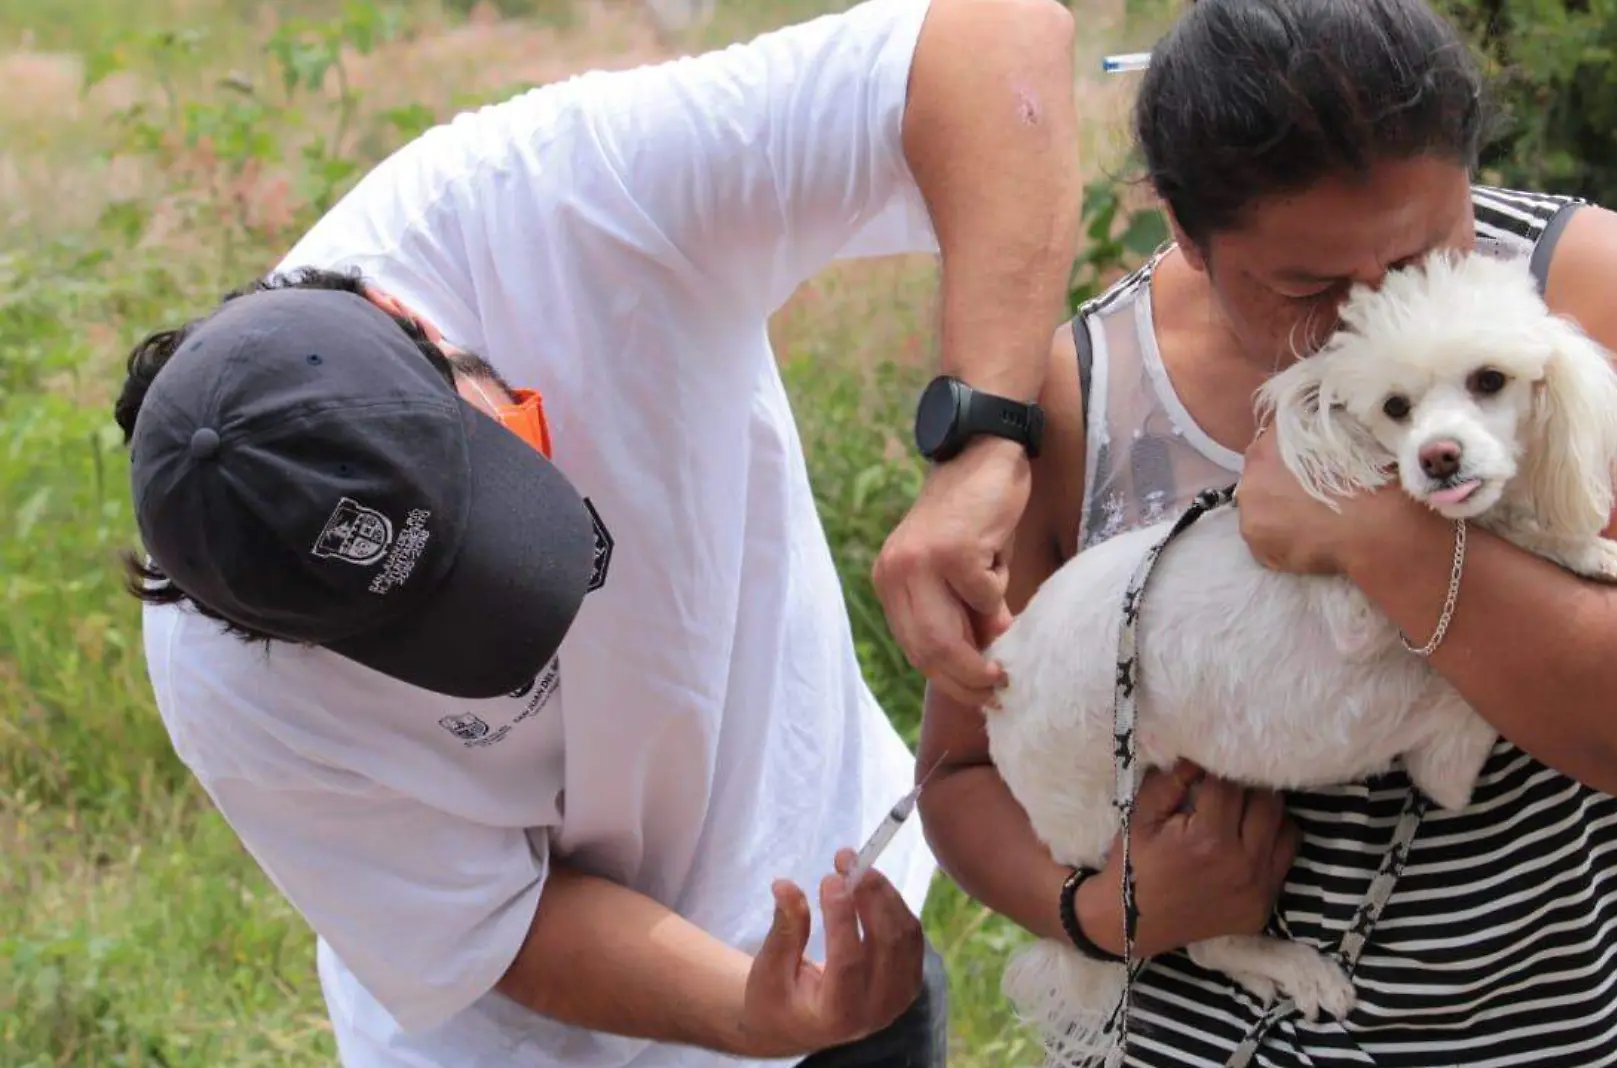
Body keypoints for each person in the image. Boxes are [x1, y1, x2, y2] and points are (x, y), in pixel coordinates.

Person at [112, 1, 1079, 1066]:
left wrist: (984, 444)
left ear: (423, 330)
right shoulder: (226, 678)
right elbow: (505, 923)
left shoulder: (556, 199)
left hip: (833, 914)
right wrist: (758, 1014)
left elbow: (989, 45)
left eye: (497, 493)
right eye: (428, 628)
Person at [911, 1, 1617, 1065]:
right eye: (1311, 287)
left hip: (1578, 1017)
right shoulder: (1084, 390)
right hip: (1215, 1036)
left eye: (1428, 250)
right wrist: (1104, 913)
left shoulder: (1589, 295)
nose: (1378, 309)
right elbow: (962, 773)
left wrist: (1378, 536)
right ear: (1185, 234)